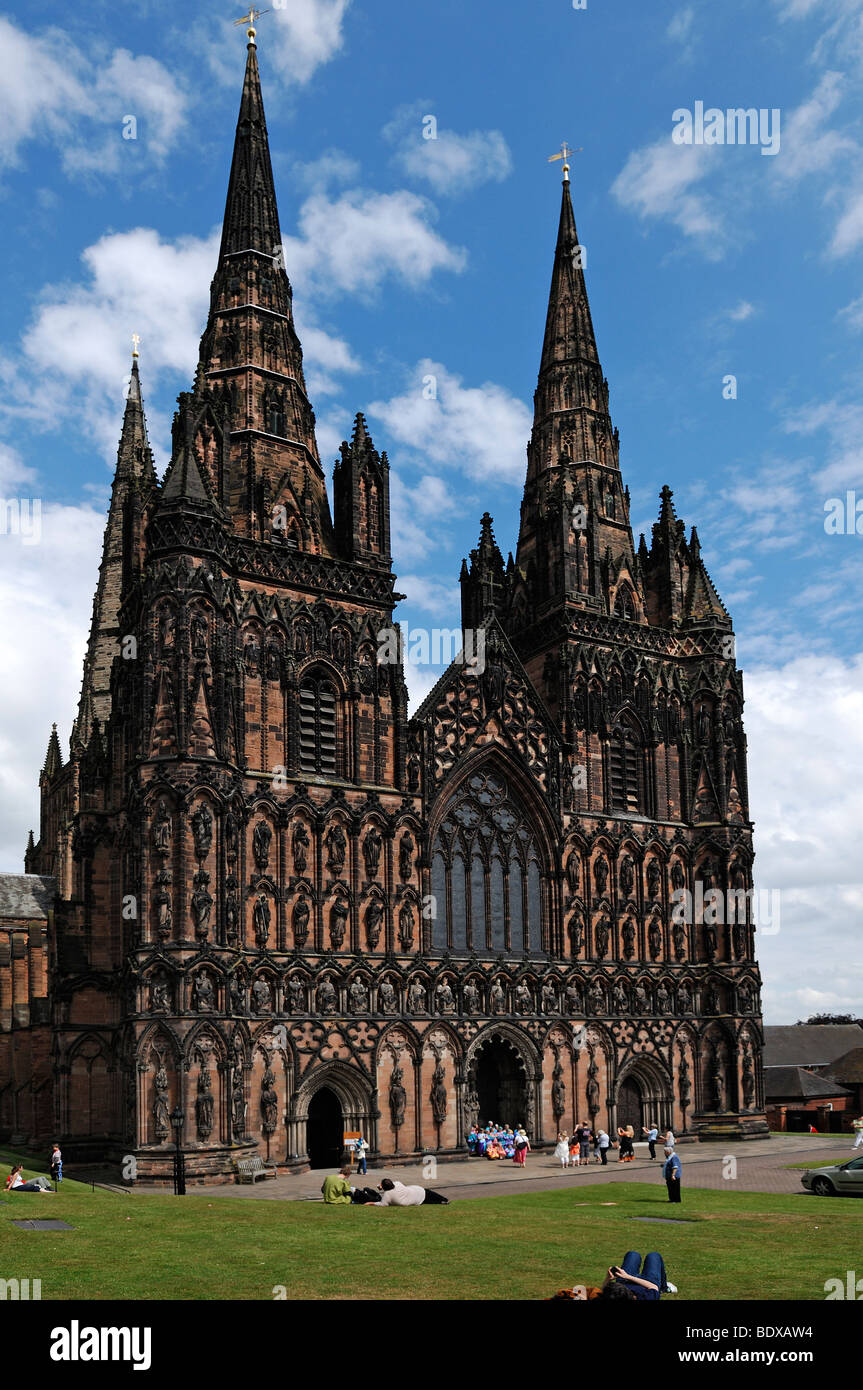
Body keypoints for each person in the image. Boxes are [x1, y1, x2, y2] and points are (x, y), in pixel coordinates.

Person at [549, 1251, 678, 1301]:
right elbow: (653, 1287)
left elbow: (603, 1291)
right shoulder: (645, 1298)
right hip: (647, 1282)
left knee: (632, 1254)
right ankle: (664, 1287)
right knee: (653, 1256)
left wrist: (608, 1279)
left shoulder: (610, 1297)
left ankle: (625, 1277)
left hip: (625, 1279)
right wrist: (630, 1277)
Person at [376, 1178, 449, 1206]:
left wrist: (370, 1203)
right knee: (431, 1194)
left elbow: (382, 1204)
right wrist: (382, 1187)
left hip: (417, 1201)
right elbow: (391, 1185)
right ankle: (444, 1199)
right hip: (418, 1190)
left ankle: (441, 1202)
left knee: (429, 1201)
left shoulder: (387, 1195)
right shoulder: (398, 1183)